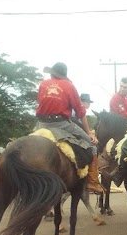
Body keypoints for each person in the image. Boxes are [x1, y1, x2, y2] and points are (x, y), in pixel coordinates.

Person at [36, 62, 103, 195]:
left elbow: (41, 102)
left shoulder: (43, 84)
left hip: (41, 123)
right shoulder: (69, 85)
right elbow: (81, 113)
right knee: (92, 146)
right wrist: (88, 132)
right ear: (64, 75)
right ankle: (93, 181)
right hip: (61, 124)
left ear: (52, 73)